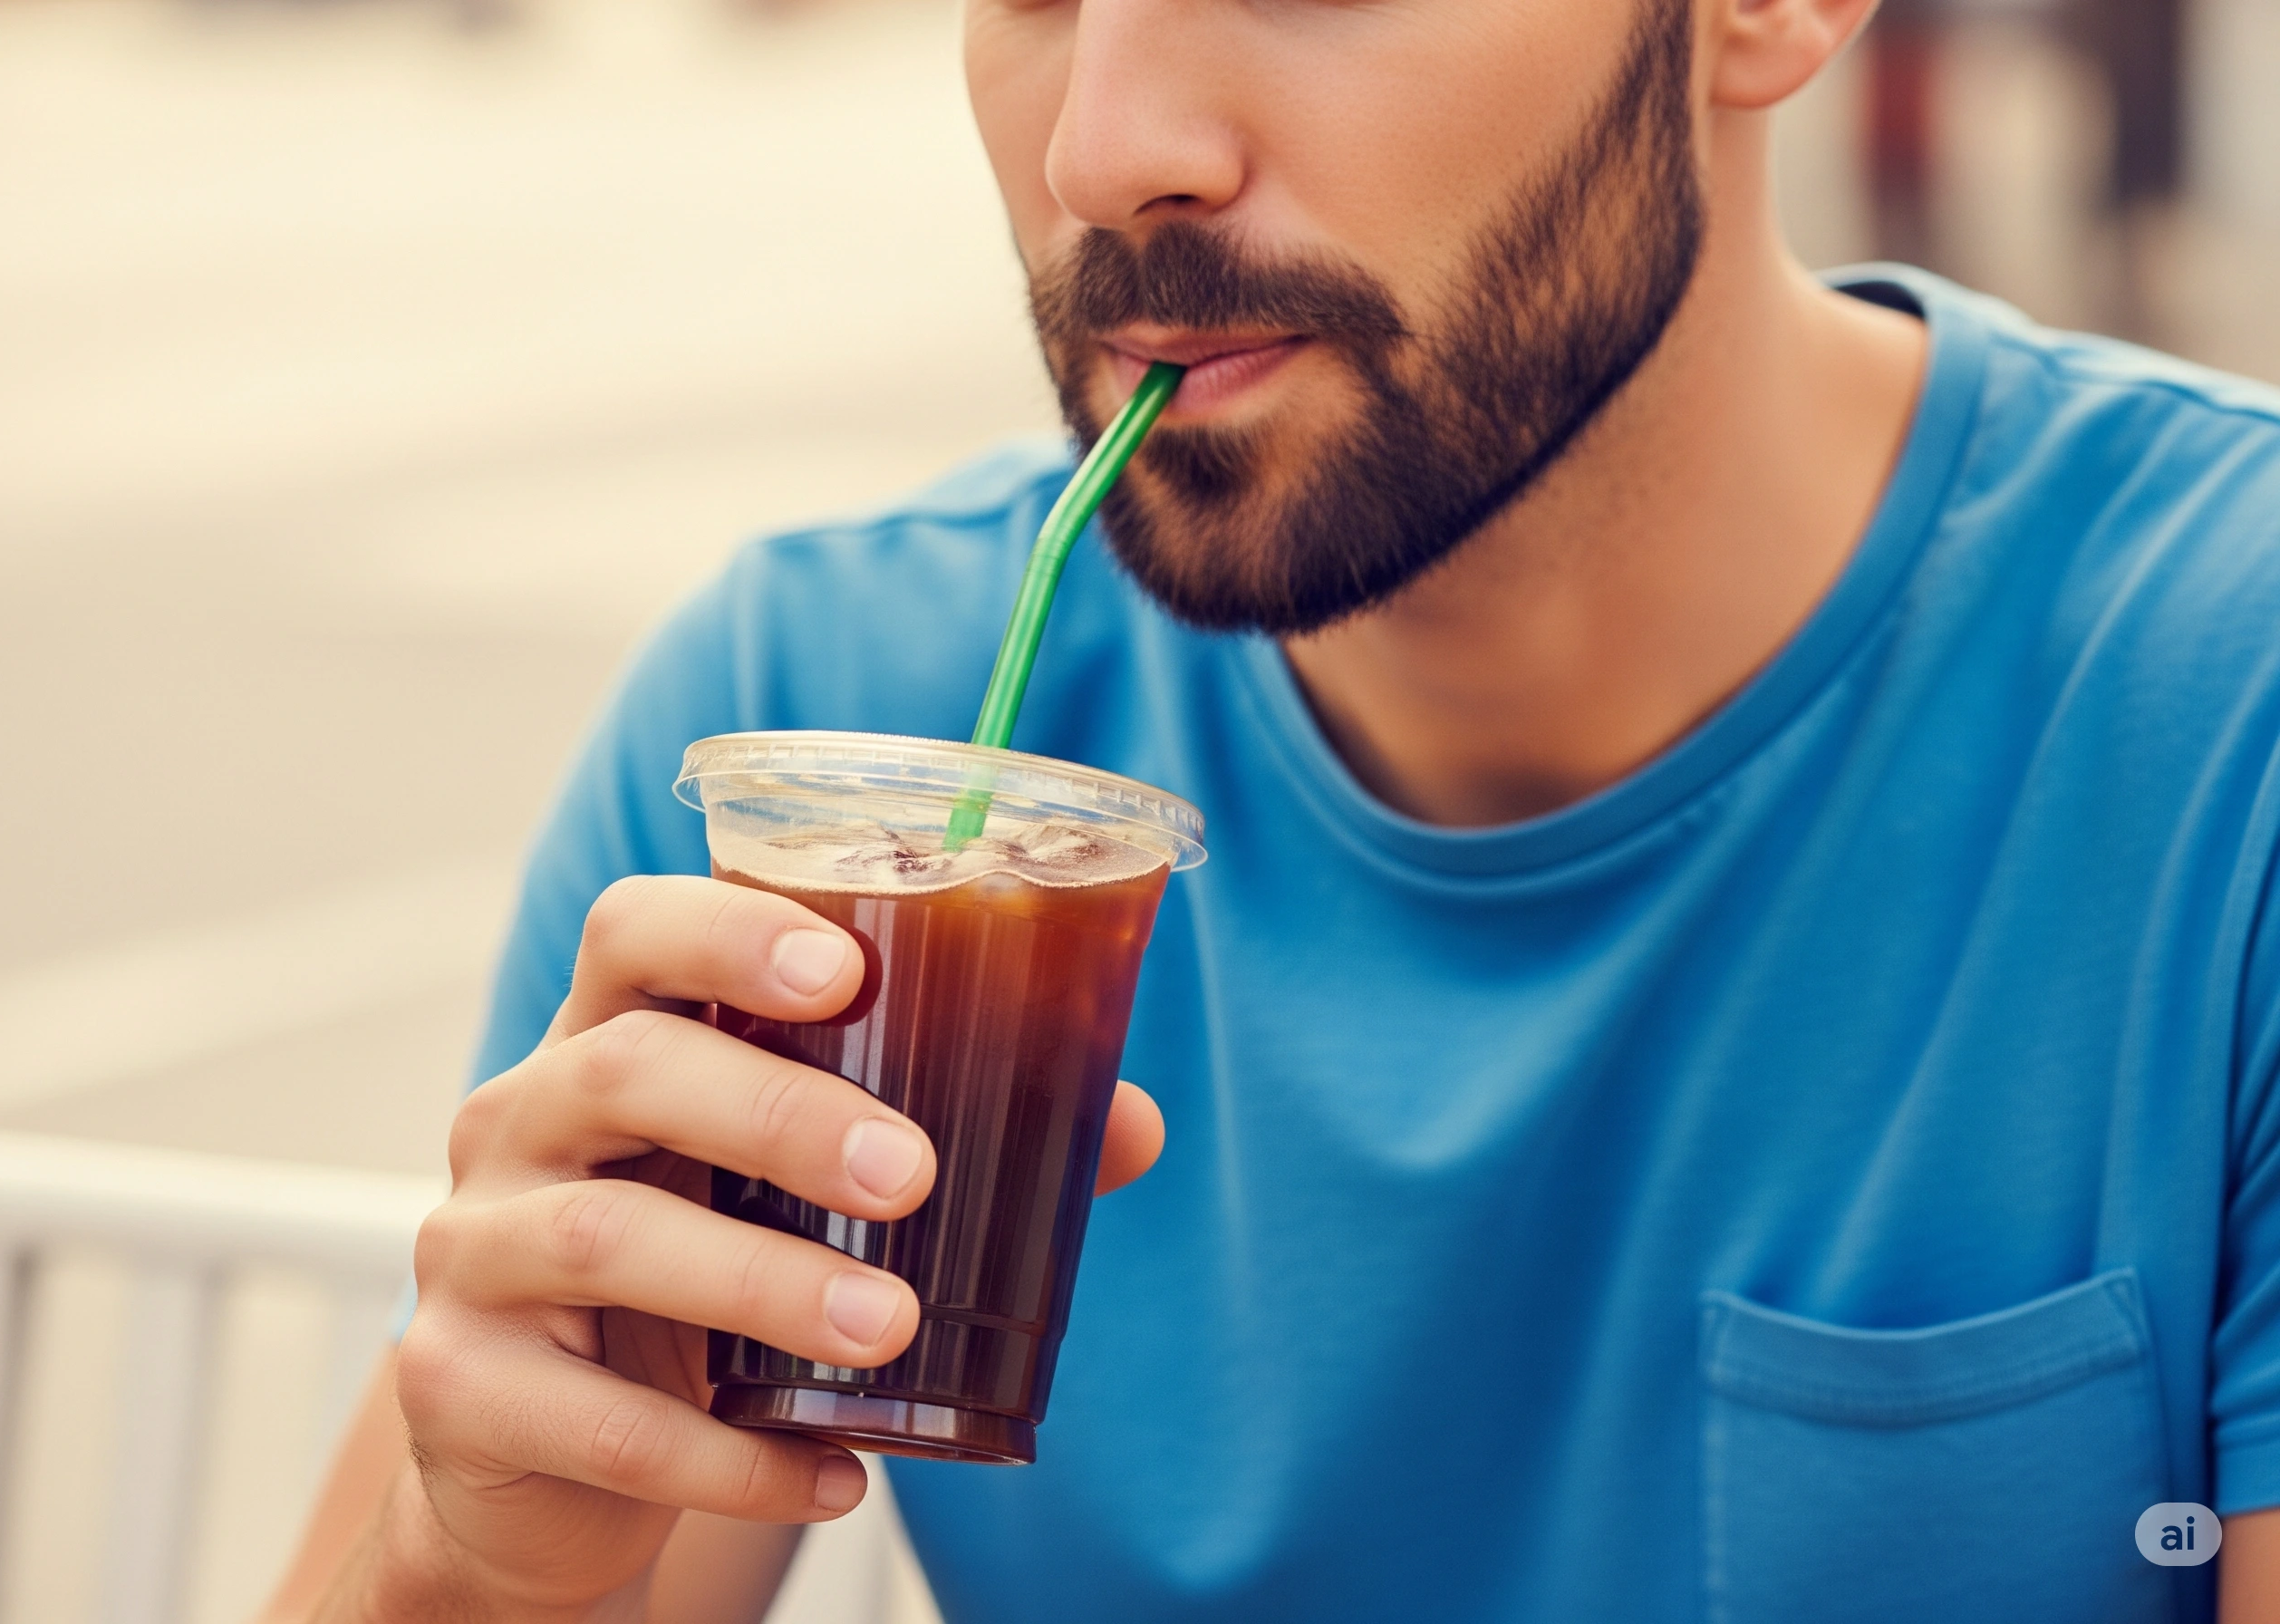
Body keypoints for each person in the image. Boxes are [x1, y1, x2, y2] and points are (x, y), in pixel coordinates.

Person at [261, 0, 2280, 1615]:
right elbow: (530, 1539)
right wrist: (474, 1570)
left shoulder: (2219, 708)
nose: (1103, 146)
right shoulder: (819, 749)